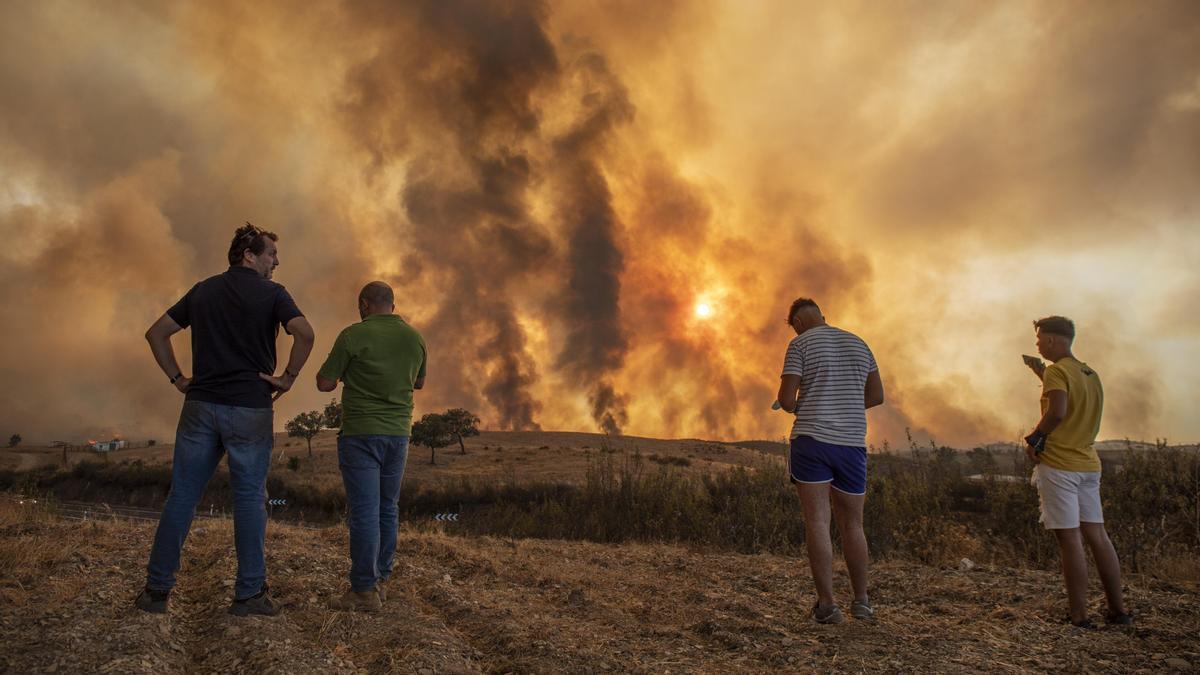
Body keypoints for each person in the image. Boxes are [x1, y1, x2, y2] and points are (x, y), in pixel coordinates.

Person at [135, 222, 314, 616]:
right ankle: (249, 595)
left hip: (200, 406)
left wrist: (179, 379)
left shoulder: (203, 290)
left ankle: (155, 592)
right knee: (249, 499)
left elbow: (155, 333)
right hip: (250, 407)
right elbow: (304, 333)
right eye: (271, 255)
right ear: (249, 255)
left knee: (182, 496)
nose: (276, 262)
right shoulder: (273, 294)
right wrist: (287, 378)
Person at [317, 281, 426, 612]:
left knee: (364, 510)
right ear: (391, 304)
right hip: (397, 434)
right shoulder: (415, 338)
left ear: (365, 304)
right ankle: (381, 578)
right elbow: (418, 382)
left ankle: (364, 590)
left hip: (361, 433)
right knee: (387, 507)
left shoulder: (353, 335)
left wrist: (350, 374)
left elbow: (324, 383)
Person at [776, 298, 884, 624]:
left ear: (796, 322)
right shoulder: (859, 343)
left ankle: (827, 606)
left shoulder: (799, 345)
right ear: (824, 315)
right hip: (851, 445)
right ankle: (862, 602)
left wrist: (803, 405)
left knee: (818, 521)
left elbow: (785, 399)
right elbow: (877, 396)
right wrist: (845, 406)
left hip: (812, 442)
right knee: (853, 524)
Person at [1023, 316, 1131, 628]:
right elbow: (1072, 399)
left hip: (1060, 465)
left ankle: (1079, 616)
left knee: (1069, 540)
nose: (1038, 344)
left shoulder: (1058, 371)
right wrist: (1040, 373)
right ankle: (1118, 611)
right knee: (1098, 536)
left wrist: (1035, 440)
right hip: (1087, 464)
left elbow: (1058, 411)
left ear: (1053, 341)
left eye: (1040, 339)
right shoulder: (1089, 373)